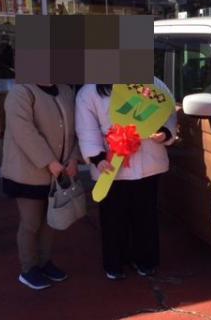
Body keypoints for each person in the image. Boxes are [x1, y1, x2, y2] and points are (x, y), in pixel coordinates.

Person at [75, 80, 177, 280]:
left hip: (148, 163)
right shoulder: (89, 92)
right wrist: (97, 157)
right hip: (111, 164)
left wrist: (165, 132)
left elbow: (168, 108)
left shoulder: (151, 82)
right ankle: (115, 262)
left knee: (145, 216)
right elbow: (87, 128)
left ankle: (145, 260)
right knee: (113, 218)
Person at [1, 83, 80, 290]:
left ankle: (45, 262)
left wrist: (73, 158)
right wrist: (49, 162)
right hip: (28, 172)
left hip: (58, 172)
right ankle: (29, 268)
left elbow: (75, 130)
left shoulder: (65, 91)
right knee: (31, 222)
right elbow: (24, 132)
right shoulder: (21, 92)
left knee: (50, 221)